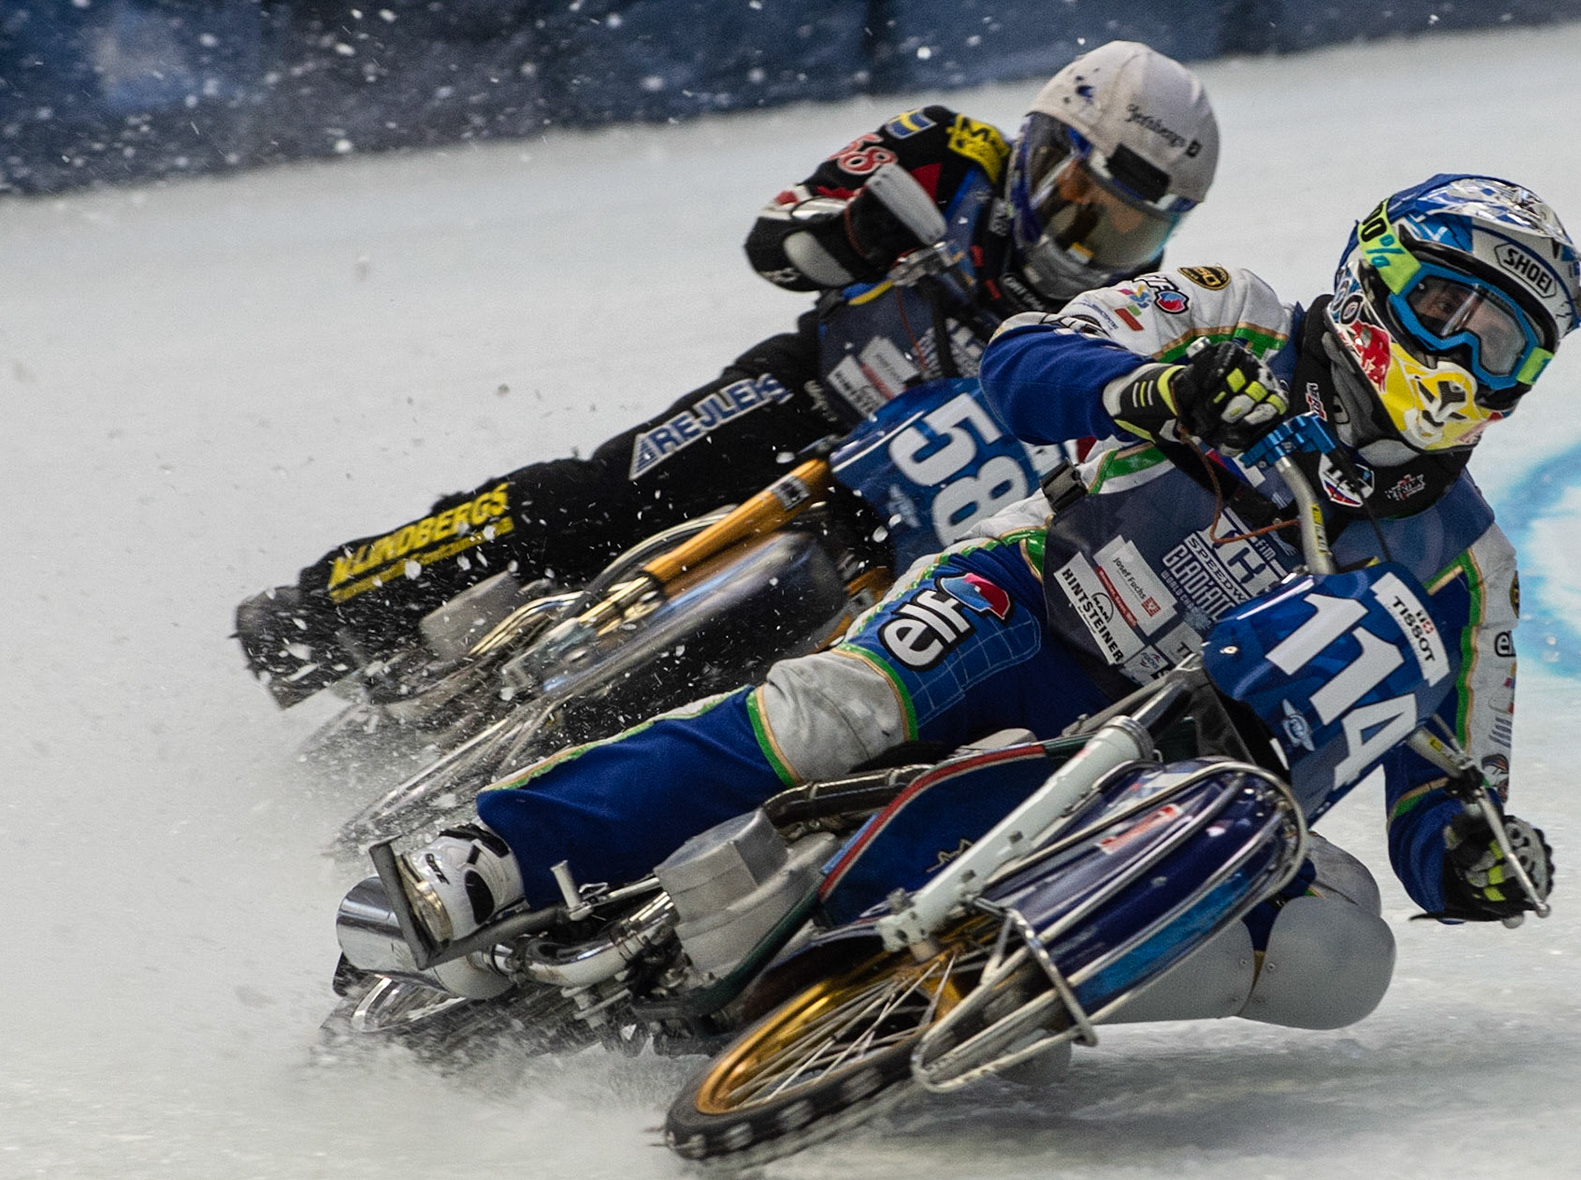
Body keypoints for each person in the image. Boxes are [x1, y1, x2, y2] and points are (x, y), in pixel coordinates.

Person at [400, 174, 1581, 1031]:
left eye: (1510, 347)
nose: (1469, 361)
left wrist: (1478, 859)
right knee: (834, 715)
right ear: (1377, 277)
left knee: (1343, 957)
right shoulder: (1236, 309)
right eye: (1451, 312)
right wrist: (1155, 386)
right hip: (1032, 604)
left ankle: (981, 989)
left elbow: (1448, 803)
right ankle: (506, 845)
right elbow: (1023, 366)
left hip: (1183, 780)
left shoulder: (1471, 567)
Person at [236, 41, 1221, 708]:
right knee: (598, 494)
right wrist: (854, 232)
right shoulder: (944, 149)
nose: (1101, 242)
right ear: (1047, 149)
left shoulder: (1130, 321)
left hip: (908, 523)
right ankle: (331, 602)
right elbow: (776, 239)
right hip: (812, 392)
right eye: (1088, 203)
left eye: (1136, 225)